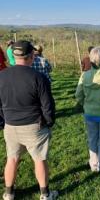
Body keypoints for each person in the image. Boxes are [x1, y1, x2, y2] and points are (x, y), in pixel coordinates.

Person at [0, 40, 58, 200]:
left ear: (14, 56)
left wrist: (4, 120)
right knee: (39, 159)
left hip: (10, 126)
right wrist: (49, 122)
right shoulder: (39, 78)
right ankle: (45, 194)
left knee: (11, 159)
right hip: (34, 126)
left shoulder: (1, 76)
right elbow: (48, 106)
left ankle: (8, 193)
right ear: (32, 56)